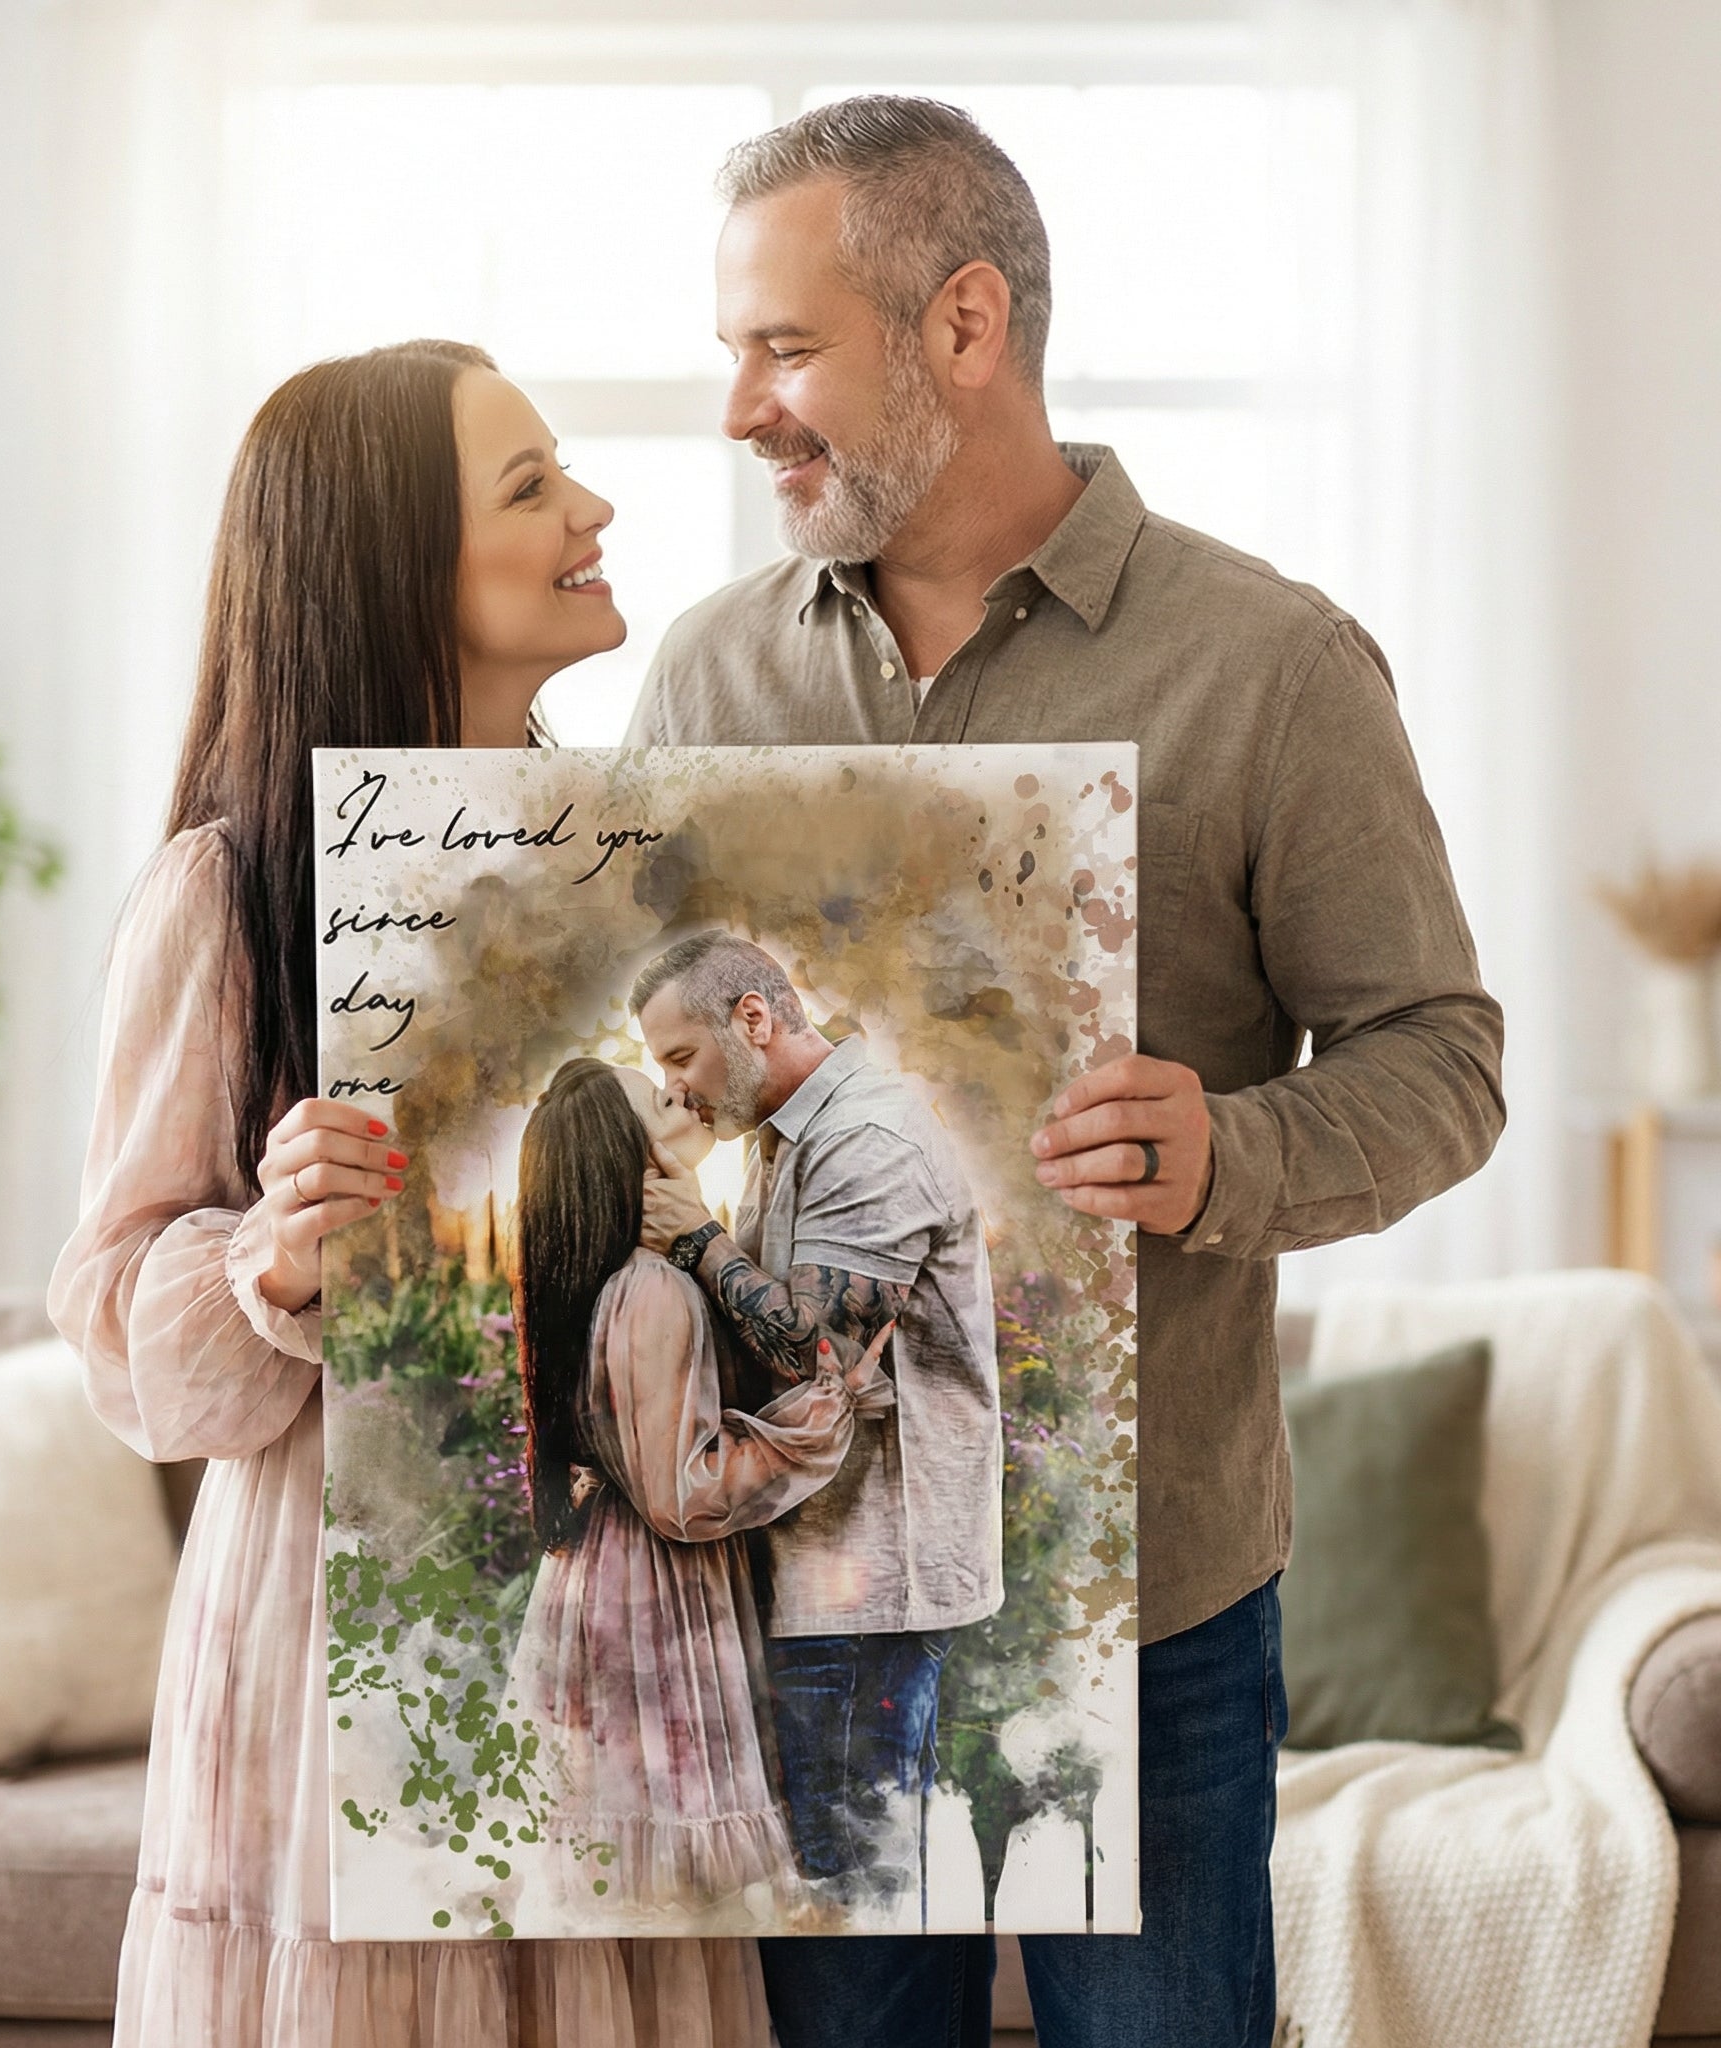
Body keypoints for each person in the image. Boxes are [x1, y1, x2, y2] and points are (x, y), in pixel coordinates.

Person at [626, 96, 1506, 2048]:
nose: (739, 411)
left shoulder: (1269, 667)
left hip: (1156, 1603)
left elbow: (1443, 1059)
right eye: (730, 355)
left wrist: (1230, 1150)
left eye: (785, 348)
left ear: (961, 324)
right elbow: (653, 1077)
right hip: (820, 1603)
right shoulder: (703, 686)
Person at [50, 342, 774, 2046]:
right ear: (392, 566)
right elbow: (107, 1327)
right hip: (345, 1626)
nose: (593, 509)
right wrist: (272, 1265)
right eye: (528, 489)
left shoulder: (640, 855)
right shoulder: (225, 891)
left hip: (617, 1607)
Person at [629, 929, 1001, 1936]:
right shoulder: (783, 1135)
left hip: (864, 1590)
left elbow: (814, 1353)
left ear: (753, 1017)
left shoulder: (864, 1139)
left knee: (852, 1947)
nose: (672, 1084)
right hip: (827, 1579)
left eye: (678, 1056)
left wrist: (692, 1235)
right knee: (868, 1928)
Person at [505, 1056, 893, 1927]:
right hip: (651, 1595)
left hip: (618, 1578)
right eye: (659, 1098)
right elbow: (682, 1496)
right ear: (630, 1159)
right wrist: (820, 1418)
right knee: (667, 1883)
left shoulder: (633, 1282)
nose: (680, 1093)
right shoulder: (651, 1291)